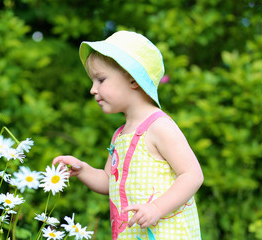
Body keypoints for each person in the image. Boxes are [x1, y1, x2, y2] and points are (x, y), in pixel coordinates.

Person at [53, 31, 203, 240]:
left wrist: (156, 208)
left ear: (133, 79)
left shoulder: (159, 126)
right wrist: (84, 170)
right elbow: (109, 181)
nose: (92, 90)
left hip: (166, 234)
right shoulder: (120, 135)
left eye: (101, 79)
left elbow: (193, 175)